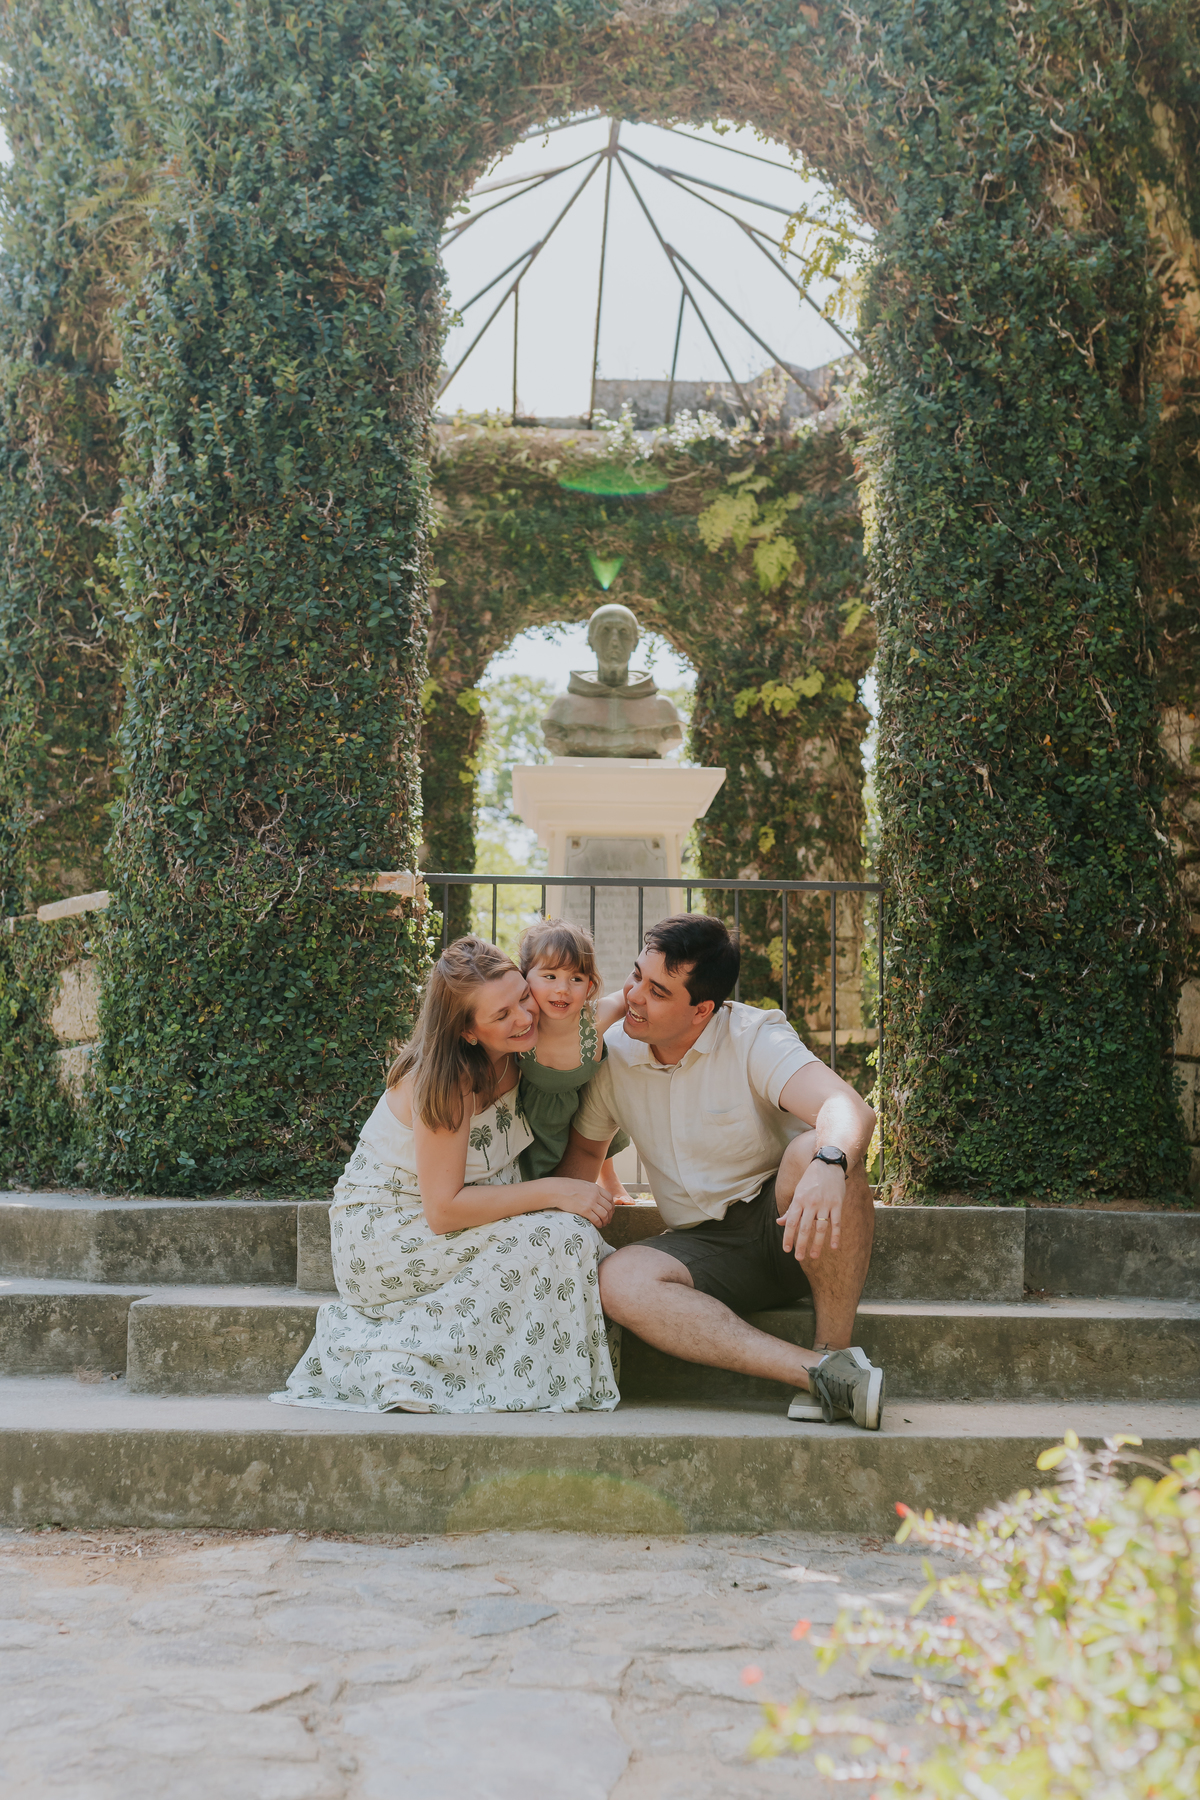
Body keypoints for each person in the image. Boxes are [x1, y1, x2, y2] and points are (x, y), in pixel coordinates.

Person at [556, 914, 885, 1430]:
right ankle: (820, 1374)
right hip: (700, 1248)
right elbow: (580, 1159)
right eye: (636, 976)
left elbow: (847, 1106)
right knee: (619, 1279)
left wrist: (830, 1162)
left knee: (816, 1151)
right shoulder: (615, 1051)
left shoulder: (753, 1035)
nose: (635, 996)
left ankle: (836, 1348)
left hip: (786, 1229)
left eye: (658, 991)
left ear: (701, 1010)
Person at [272, 937, 619, 1414]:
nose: (524, 1016)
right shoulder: (444, 1078)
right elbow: (444, 1210)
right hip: (388, 1233)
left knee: (569, 1236)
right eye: (502, 1015)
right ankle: (431, 1362)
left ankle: (509, 1370)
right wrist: (557, 1190)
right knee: (560, 1235)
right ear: (468, 1032)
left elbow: (588, 1019)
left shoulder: (518, 1053)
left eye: (522, 996)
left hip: (452, 1218)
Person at [515, 918, 633, 1202]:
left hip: (582, 1109)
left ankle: (610, 1179)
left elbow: (630, 994)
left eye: (576, 979)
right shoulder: (518, 1022)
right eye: (550, 976)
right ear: (524, 976)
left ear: (590, 984)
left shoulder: (594, 1020)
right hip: (529, 1115)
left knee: (596, 1108)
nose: (562, 989)